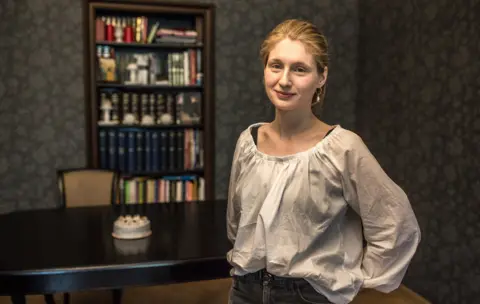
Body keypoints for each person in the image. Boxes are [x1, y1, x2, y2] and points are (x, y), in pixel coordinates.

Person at [226, 19, 421, 304]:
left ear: (321, 77)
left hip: (309, 296)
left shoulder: (343, 148)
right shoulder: (248, 142)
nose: (284, 80)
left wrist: (357, 279)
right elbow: (236, 222)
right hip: (244, 291)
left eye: (300, 69)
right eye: (276, 65)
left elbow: (395, 222)